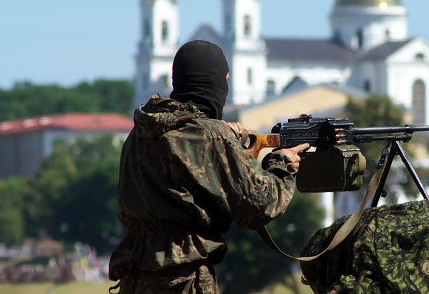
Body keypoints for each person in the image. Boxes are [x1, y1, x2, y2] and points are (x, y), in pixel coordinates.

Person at [109, 40, 309, 294]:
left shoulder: (139, 133)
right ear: (217, 81)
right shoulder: (212, 136)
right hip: (185, 280)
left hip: (136, 279)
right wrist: (281, 164)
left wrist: (234, 152)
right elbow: (260, 206)